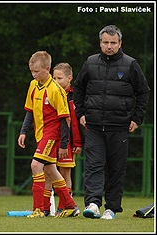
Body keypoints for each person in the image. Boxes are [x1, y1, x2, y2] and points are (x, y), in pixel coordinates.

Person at [73, 25, 151, 220]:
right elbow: (78, 88)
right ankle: (93, 203)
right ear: (100, 43)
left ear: (120, 43)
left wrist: (137, 118)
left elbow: (144, 92)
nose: (109, 46)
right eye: (105, 42)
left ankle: (112, 208)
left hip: (120, 126)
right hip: (94, 125)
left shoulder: (131, 64)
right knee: (93, 165)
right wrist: (81, 112)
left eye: (113, 43)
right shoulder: (90, 63)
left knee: (117, 168)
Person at [17, 51, 79, 218]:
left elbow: (65, 119)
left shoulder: (55, 90)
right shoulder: (33, 85)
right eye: (32, 71)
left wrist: (64, 144)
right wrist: (23, 131)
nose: (34, 75)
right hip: (41, 134)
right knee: (51, 170)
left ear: (47, 68)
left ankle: (38, 209)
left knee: (35, 166)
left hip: (52, 134)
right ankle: (71, 205)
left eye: (37, 71)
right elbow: (29, 111)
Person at [43, 62, 83, 216]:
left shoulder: (75, 97)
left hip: (68, 142)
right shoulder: (50, 92)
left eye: (60, 78)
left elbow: (76, 122)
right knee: (48, 172)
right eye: (54, 78)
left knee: (65, 172)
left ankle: (64, 205)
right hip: (52, 139)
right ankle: (46, 207)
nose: (56, 81)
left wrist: (78, 143)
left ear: (69, 78)